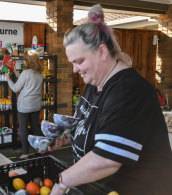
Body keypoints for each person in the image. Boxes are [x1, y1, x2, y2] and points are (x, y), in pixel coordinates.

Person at [47, 4, 172, 195]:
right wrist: (65, 139)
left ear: (102, 52)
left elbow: (107, 160)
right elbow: (91, 127)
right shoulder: (94, 84)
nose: (74, 70)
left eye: (79, 61)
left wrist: (63, 182)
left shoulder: (129, 90)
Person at [5, 50, 43, 159]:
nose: (24, 61)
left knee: (23, 130)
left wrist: (8, 79)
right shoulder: (39, 72)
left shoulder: (26, 73)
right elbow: (27, 81)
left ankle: (25, 152)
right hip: (36, 105)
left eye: (25, 60)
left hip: (25, 106)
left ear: (28, 61)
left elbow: (16, 88)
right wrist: (17, 73)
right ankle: (40, 149)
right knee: (36, 128)